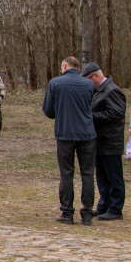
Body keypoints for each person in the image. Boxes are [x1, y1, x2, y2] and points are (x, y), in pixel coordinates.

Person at [42, 56, 96, 225]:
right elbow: (91, 105)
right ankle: (87, 213)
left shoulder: (55, 83)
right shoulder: (88, 84)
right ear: (78, 68)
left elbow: (49, 111)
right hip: (86, 133)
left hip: (65, 133)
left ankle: (67, 211)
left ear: (64, 66)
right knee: (87, 174)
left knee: (67, 173)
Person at [82, 62, 126, 221]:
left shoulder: (112, 91)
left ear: (96, 76)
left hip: (110, 141)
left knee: (114, 177)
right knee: (102, 177)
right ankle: (104, 205)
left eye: (88, 79)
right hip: (99, 140)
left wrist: (92, 117)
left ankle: (115, 208)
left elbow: (117, 113)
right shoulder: (99, 91)